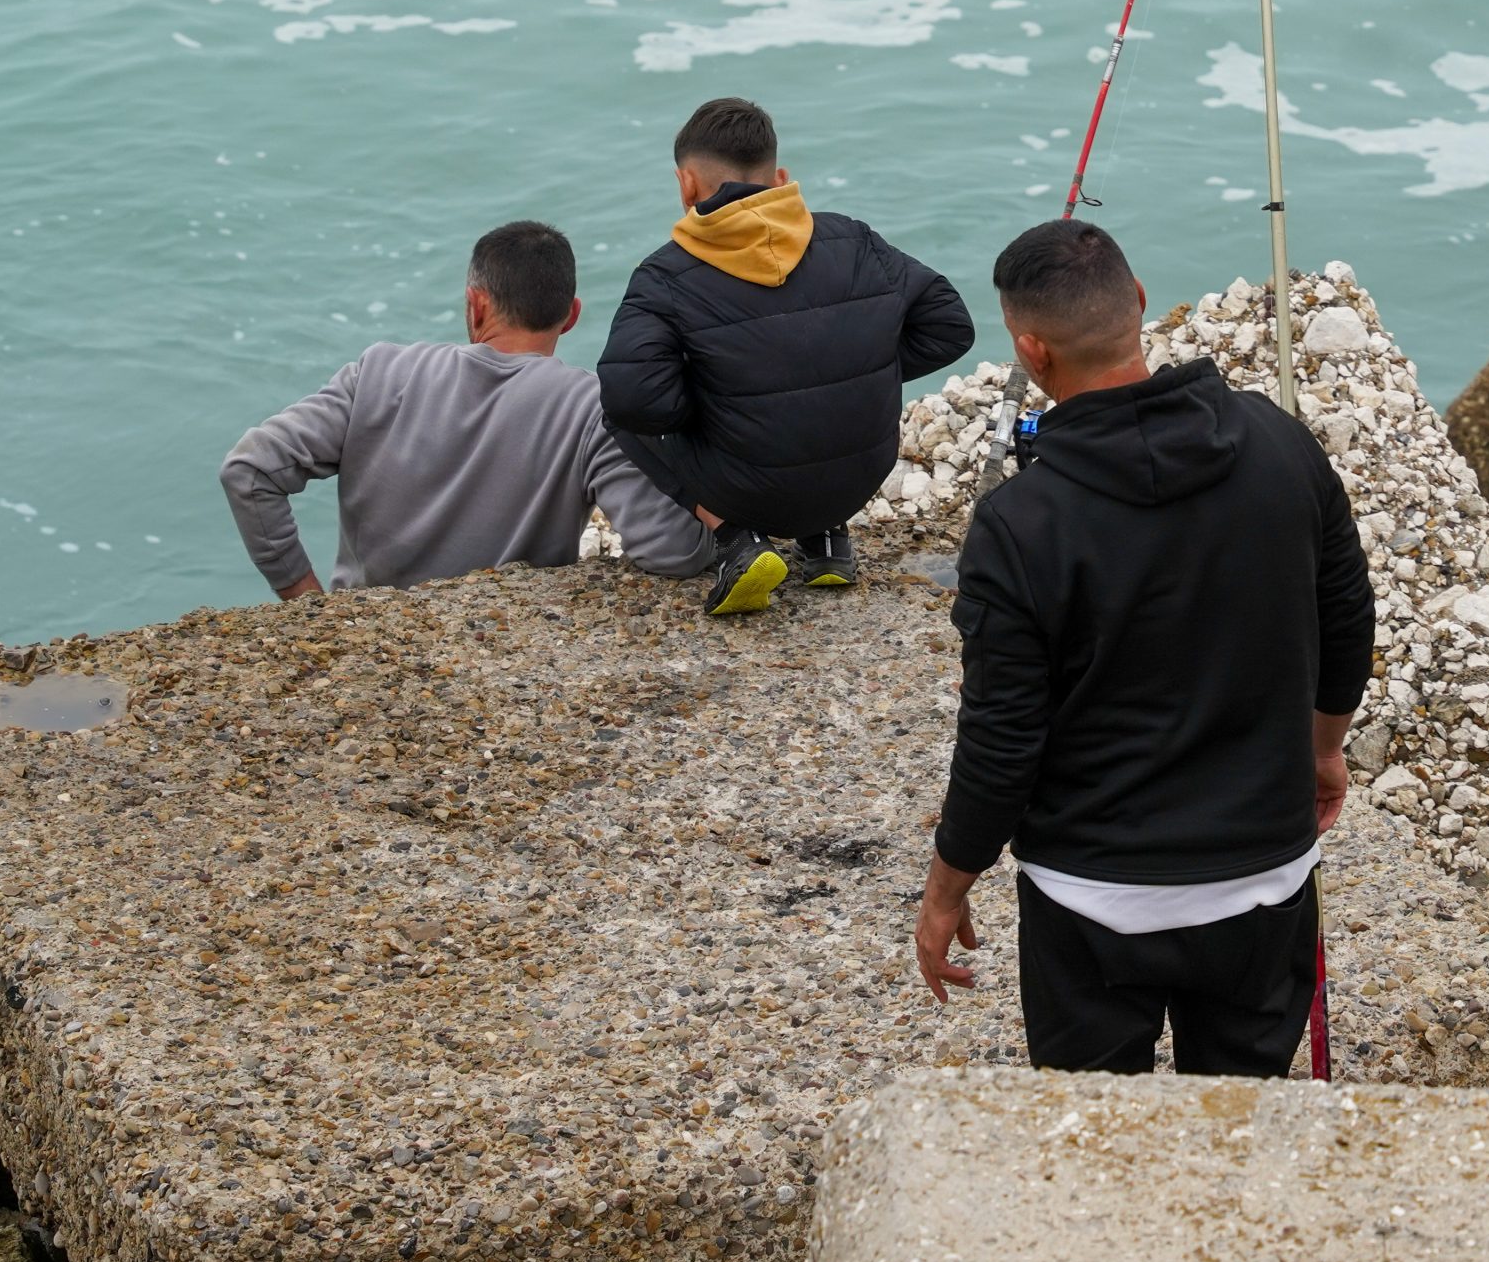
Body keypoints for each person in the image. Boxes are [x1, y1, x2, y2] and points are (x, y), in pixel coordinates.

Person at [911, 219, 1375, 1075]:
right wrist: (1325, 748)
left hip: (1091, 897)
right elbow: (1347, 614)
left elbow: (1002, 739)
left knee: (1094, 1149)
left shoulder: (1019, 524)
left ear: (1032, 351)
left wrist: (948, 886)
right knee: (1243, 1129)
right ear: (1136, 302)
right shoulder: (1280, 444)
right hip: (1262, 880)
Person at [598, 96, 975, 616]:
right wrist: (859, 369)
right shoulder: (854, 239)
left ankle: (735, 539)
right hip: (858, 480)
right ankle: (825, 541)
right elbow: (951, 327)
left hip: (748, 495)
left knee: (618, 414)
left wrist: (718, 406)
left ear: (686, 183)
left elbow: (631, 399)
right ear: (779, 178)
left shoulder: (665, 275)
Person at [221, 220, 715, 597]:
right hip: (504, 661)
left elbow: (249, 472)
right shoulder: (591, 411)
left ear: (475, 304)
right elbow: (673, 551)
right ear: (571, 316)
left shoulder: (378, 373)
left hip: (362, 647)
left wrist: (306, 604)